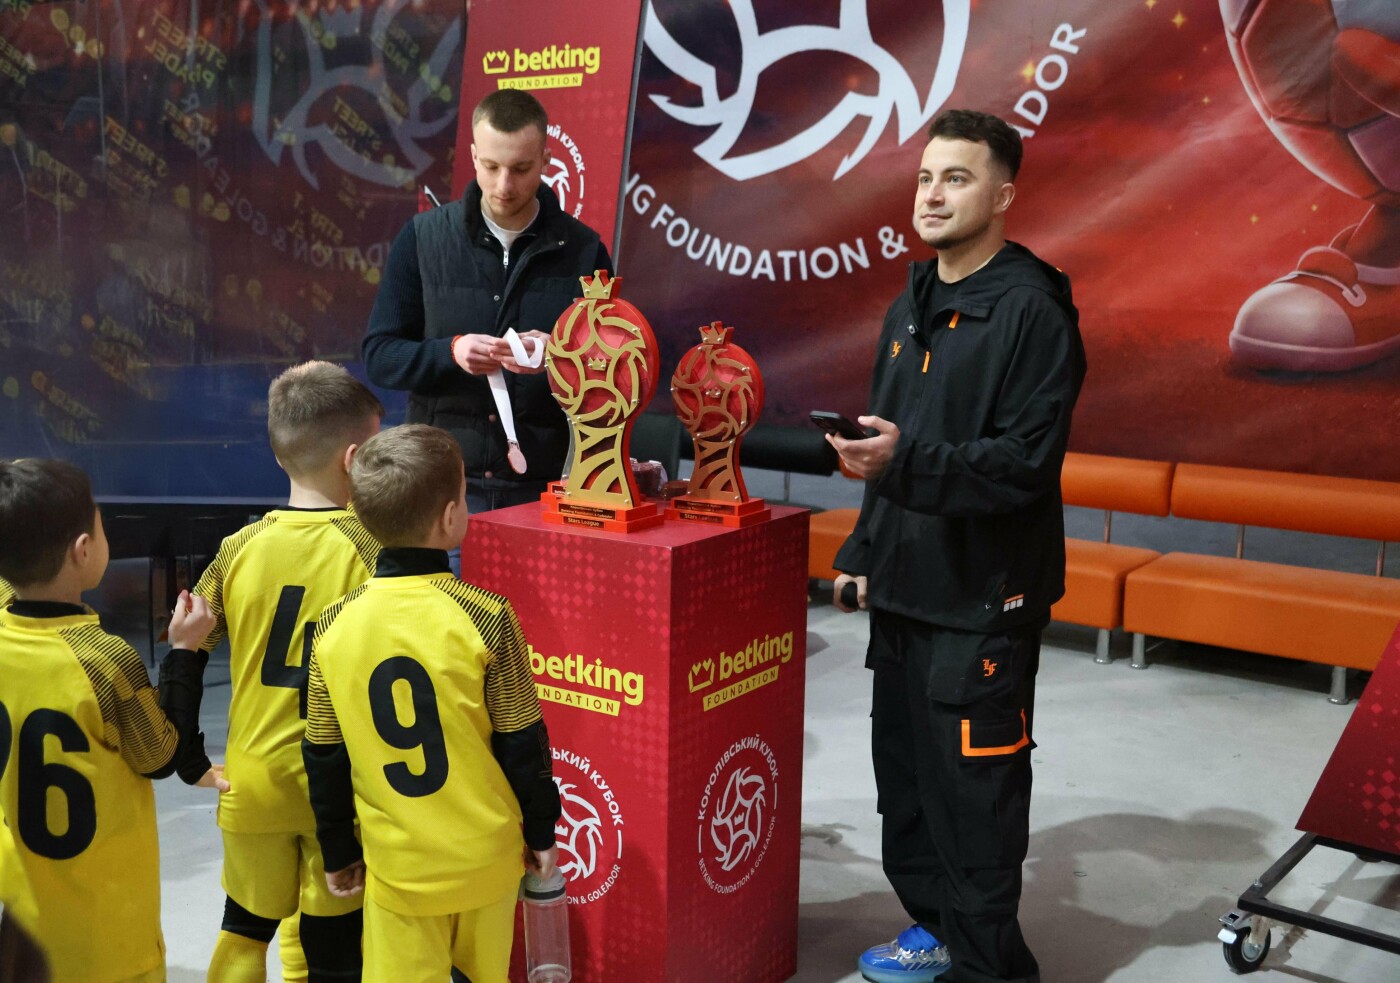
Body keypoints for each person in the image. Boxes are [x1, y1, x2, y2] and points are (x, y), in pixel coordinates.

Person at [827, 109, 1086, 983]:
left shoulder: (1033, 310)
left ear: (1003, 195)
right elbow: (887, 442)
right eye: (927, 177)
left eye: (958, 178)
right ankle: (936, 930)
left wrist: (905, 462)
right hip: (907, 587)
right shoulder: (910, 304)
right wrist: (864, 547)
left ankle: (991, 968)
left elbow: (1023, 464)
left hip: (983, 601)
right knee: (907, 787)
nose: (933, 195)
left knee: (976, 801)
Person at [303, 424, 561, 983]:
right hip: (485, 861)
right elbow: (523, 741)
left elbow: (323, 756)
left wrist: (338, 849)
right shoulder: (488, 617)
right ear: (449, 518)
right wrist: (542, 832)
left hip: (399, 869)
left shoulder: (331, 628)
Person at [189, 362, 384, 983]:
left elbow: (189, 640)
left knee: (243, 929)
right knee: (336, 946)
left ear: (279, 456)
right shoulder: (374, 550)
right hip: (339, 788)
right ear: (356, 459)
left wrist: (186, 753)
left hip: (251, 783)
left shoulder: (237, 548)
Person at [0, 457, 217, 983]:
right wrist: (184, 652)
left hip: (24, 923)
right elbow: (159, 755)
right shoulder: (102, 659)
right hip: (108, 926)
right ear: (83, 550)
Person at [362, 88, 613, 523]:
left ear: (546, 160)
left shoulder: (585, 251)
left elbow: (615, 373)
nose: (504, 185)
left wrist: (558, 356)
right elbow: (380, 357)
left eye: (521, 168)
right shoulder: (422, 238)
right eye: (492, 167)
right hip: (441, 486)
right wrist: (450, 352)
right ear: (474, 156)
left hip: (545, 486)